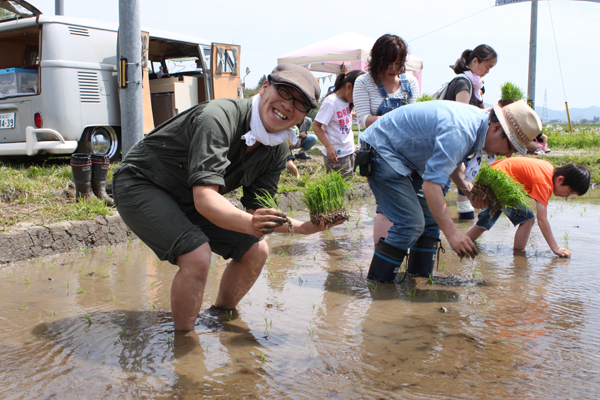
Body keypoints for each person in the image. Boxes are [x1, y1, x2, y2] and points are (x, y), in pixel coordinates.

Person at [112, 64, 345, 331]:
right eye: (284, 92)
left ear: (304, 115)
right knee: (196, 255)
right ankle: (185, 347)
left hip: (189, 197)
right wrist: (249, 224)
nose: (288, 105)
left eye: (301, 103)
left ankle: (219, 316)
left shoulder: (276, 149)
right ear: (265, 87)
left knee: (256, 250)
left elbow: (258, 212)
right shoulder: (220, 116)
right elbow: (205, 199)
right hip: (142, 182)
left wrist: (304, 228)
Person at [359, 99, 542, 282]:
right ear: (495, 129)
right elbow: (431, 187)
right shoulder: (461, 130)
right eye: (511, 146)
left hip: (408, 157)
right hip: (382, 149)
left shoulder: (478, 125)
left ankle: (420, 281)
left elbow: (453, 164)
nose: (509, 155)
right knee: (410, 223)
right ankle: (378, 286)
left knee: (431, 221)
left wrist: (468, 191)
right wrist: (453, 234)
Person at [352, 34, 420, 243]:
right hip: (379, 153)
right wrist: (397, 119)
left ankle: (403, 256)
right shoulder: (364, 82)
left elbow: (416, 118)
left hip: (409, 152)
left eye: (398, 63)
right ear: (377, 60)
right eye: (388, 63)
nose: (393, 69)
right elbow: (364, 120)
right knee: (386, 206)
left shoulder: (410, 83)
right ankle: (382, 258)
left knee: (416, 204)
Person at [465, 158, 589, 257]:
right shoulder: (545, 183)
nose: (566, 196)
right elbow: (542, 219)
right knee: (528, 219)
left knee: (485, 222)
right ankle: (518, 255)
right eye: (568, 192)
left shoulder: (548, 169)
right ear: (561, 180)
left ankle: (463, 242)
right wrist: (555, 248)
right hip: (500, 183)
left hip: (493, 177)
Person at [444, 44, 498, 220]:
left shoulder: (475, 87)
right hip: (452, 142)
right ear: (475, 61)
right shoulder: (463, 83)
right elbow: (463, 115)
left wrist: (502, 109)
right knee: (443, 183)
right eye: (487, 67)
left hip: (463, 145)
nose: (487, 72)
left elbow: (483, 112)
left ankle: (464, 220)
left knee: (463, 180)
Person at [313, 70, 365, 180]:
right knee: (340, 188)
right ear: (349, 87)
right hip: (337, 155)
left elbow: (344, 115)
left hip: (349, 151)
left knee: (348, 182)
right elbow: (316, 126)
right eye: (358, 94)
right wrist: (328, 146)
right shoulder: (331, 103)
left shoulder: (346, 100)